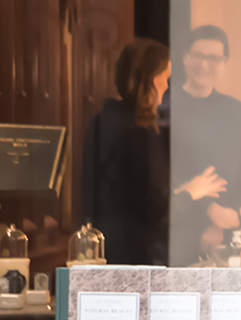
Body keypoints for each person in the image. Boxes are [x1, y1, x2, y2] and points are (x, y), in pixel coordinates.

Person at [82, 39, 227, 266]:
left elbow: (134, 197)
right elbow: (154, 214)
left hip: (104, 253)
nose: (167, 86)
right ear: (148, 78)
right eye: (164, 78)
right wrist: (191, 192)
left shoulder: (101, 121)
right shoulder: (139, 131)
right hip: (136, 258)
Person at [172, 25, 241, 259]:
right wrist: (209, 212)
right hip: (179, 235)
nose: (204, 65)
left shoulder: (235, 110)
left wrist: (230, 219)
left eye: (213, 58)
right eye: (198, 55)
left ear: (224, 62)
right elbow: (165, 175)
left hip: (230, 236)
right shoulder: (167, 107)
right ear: (185, 57)